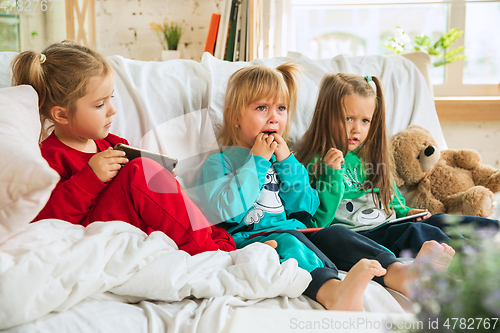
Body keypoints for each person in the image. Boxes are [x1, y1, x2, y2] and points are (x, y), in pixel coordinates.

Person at [195, 64, 455, 311]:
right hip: (251, 238)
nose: (274, 117)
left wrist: (286, 162)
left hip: (298, 230)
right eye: (262, 108)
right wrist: (257, 161)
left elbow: (306, 208)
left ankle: (403, 276)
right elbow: (227, 211)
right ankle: (334, 293)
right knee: (290, 241)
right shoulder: (219, 162)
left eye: (281, 108)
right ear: (234, 116)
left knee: (336, 234)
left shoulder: (284, 160)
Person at [11, 41, 236, 256]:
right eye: (99, 104)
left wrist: (160, 176)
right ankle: (208, 251)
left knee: (156, 178)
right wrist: (90, 178)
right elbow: (48, 220)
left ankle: (213, 239)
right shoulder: (48, 156)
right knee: (139, 173)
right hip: (87, 232)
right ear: (61, 114)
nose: (112, 110)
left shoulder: (112, 143)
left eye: (111, 98)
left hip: (136, 225)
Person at [294, 72, 497, 257]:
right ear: (324, 114)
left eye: (365, 120)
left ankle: (494, 234)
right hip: (363, 235)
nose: (357, 129)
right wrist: (331, 175)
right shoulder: (314, 162)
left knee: (439, 220)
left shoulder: (368, 156)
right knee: (415, 232)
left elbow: (390, 197)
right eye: (348, 118)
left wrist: (406, 212)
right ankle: (474, 258)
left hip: (390, 223)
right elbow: (319, 223)